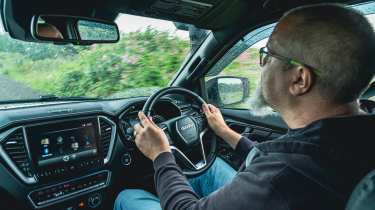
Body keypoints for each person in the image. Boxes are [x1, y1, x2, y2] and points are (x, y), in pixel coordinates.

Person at [115, 3, 375, 210]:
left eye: (268, 55)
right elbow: (281, 159)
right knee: (209, 167)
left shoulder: (281, 177)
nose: (262, 65)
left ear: (299, 79)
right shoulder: (352, 136)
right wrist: (225, 132)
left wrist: (160, 153)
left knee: (129, 197)